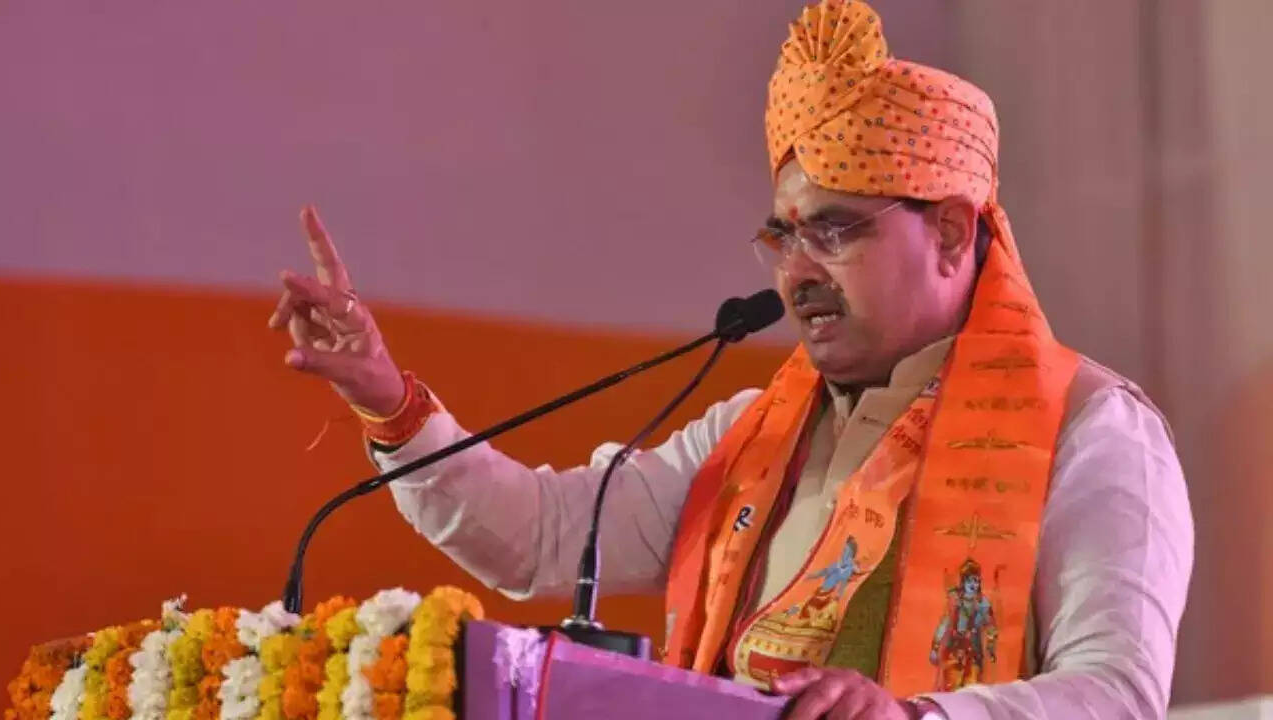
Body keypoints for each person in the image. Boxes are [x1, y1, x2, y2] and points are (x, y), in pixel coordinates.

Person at [268, 2, 1192, 717]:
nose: (797, 273)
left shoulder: (1091, 429)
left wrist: (918, 716)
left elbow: (1117, 693)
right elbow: (540, 539)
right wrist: (385, 397)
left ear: (950, 232)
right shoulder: (755, 435)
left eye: (834, 231)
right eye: (783, 236)